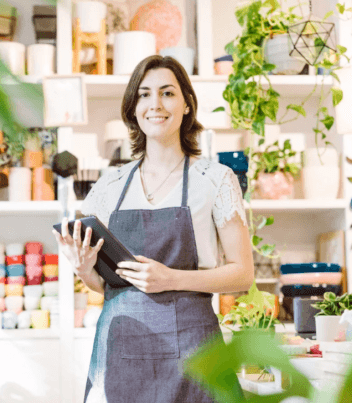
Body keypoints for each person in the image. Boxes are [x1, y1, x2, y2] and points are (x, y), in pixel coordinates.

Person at [52, 55, 254, 402]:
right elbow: (105, 286)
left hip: (195, 355)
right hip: (120, 355)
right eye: (144, 95)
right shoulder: (108, 187)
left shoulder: (215, 179)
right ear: (133, 109)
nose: (155, 104)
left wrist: (172, 279)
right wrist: (85, 270)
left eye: (167, 93)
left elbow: (242, 274)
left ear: (187, 105)